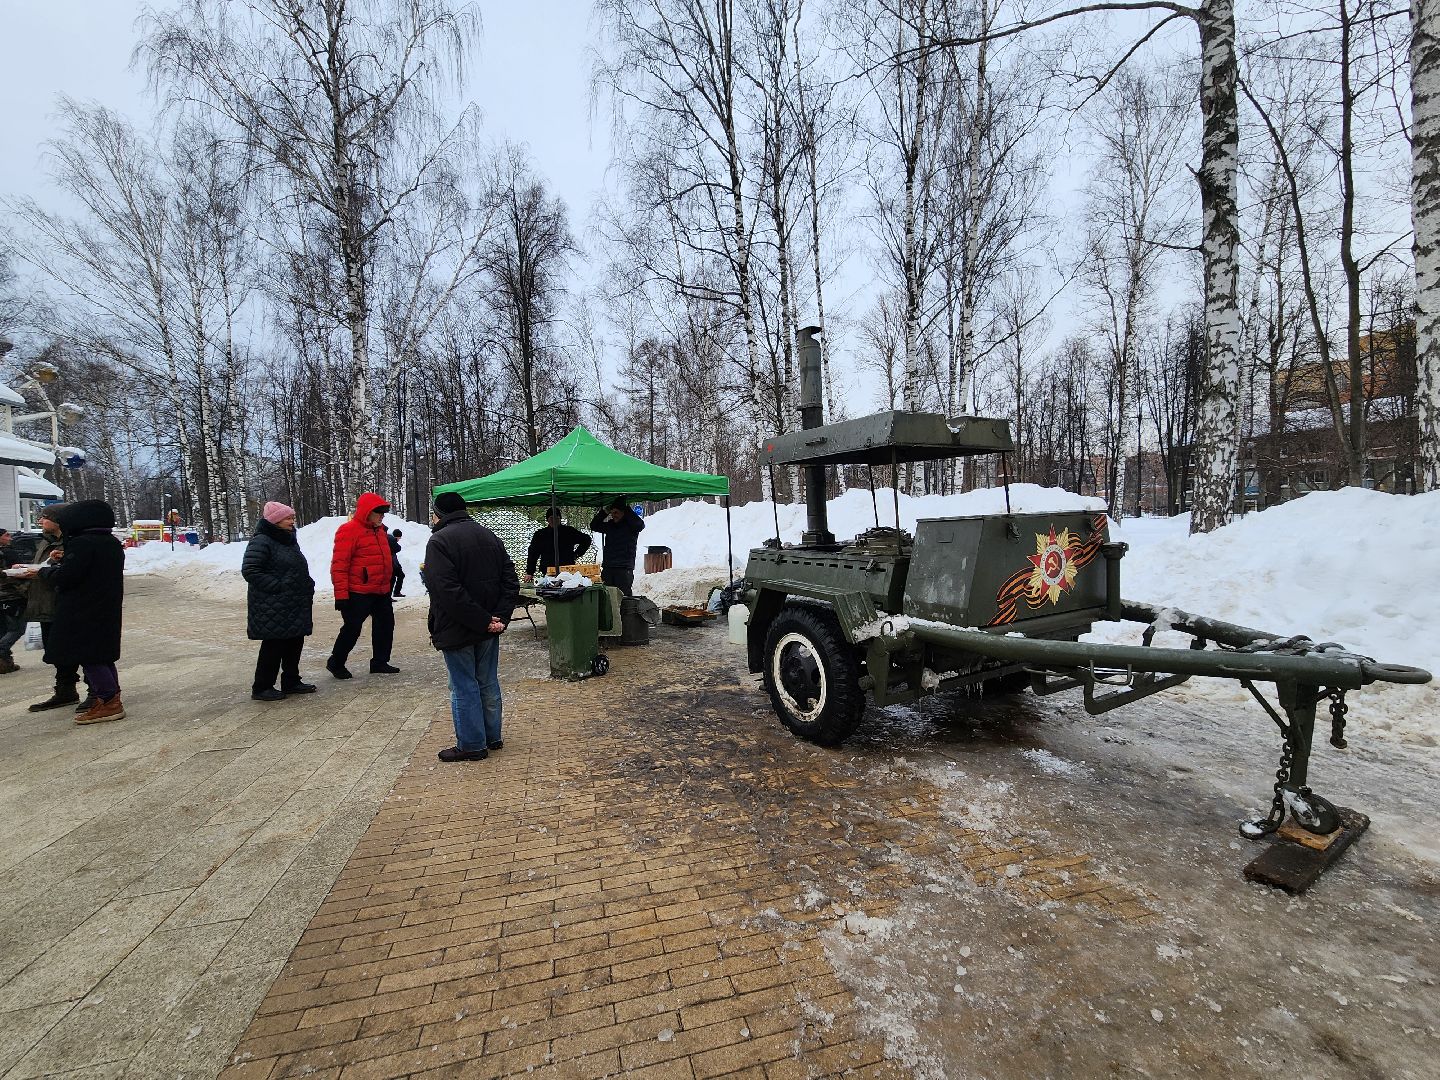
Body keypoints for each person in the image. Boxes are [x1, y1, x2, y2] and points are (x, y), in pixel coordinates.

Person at [426, 490, 519, 762]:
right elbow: (510, 582)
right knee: (487, 681)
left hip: (459, 627)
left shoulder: (439, 542)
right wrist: (497, 618)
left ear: (438, 514)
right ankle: (492, 736)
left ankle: (471, 744)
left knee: (463, 686)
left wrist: (484, 620)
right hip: (488, 626)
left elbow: (446, 590)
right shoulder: (489, 536)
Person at [26, 500, 126, 724]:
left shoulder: (83, 543)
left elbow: (69, 577)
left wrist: (43, 573)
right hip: (104, 606)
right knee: (102, 654)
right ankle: (107, 698)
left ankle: (109, 701)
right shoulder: (109, 542)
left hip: (83, 608)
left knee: (89, 655)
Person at [242, 501, 317, 701]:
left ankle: (291, 681)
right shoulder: (262, 540)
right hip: (272, 603)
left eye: (292, 517)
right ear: (275, 520)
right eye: (288, 518)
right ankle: (262, 686)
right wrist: (277, 586)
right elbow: (250, 570)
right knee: (274, 645)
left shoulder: (289, 539)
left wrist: (306, 583)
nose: (292, 521)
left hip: (293, 602)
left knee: (294, 641)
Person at [327, 492, 398, 678]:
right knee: (352, 628)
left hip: (381, 590)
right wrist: (341, 595)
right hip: (358, 591)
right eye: (379, 512)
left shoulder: (380, 531)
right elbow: (339, 565)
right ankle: (336, 662)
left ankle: (380, 662)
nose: (382, 516)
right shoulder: (348, 530)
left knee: (385, 625)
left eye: (384, 513)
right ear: (367, 512)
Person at [24, 507, 83, 712]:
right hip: (44, 603)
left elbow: (71, 574)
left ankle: (95, 691)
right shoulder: (47, 541)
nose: (40, 521)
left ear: (58, 520)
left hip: (61, 604)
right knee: (55, 651)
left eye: (45, 518)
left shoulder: (71, 542)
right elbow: (41, 567)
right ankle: (65, 690)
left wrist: (48, 570)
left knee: (70, 650)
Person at [590, 497, 645, 596]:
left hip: (624, 568)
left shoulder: (631, 526)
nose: (613, 516)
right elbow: (594, 525)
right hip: (608, 567)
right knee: (607, 597)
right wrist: (604, 512)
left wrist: (627, 510)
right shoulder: (610, 525)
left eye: (616, 513)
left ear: (624, 512)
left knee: (624, 598)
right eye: (612, 513)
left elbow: (640, 525)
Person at [524, 509, 591, 582]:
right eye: (551, 518)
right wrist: (530, 572)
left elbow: (586, 539)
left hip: (567, 569)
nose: (554, 520)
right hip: (548, 569)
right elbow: (533, 553)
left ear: (560, 519)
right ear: (547, 520)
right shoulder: (540, 534)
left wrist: (577, 554)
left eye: (556, 518)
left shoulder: (569, 531)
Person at [0, 529, 26, 674]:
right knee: (17, 628)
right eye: (6, 535)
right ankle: (2, 652)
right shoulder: (8, 553)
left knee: (3, 629)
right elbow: (21, 572)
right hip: (12, 595)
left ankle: (5, 663)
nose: (10, 538)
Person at [389, 529, 406, 598]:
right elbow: (398, 548)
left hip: (394, 563)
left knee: (400, 575)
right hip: (392, 564)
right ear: (397, 536)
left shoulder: (390, 539)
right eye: (399, 538)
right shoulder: (392, 540)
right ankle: (392, 595)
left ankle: (396, 592)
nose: (399, 539)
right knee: (392, 579)